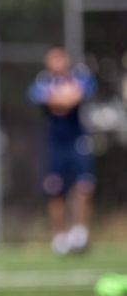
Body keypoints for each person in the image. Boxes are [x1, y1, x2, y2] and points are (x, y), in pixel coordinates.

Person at [28, 47, 96, 255]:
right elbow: (48, 100)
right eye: (53, 60)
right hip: (55, 144)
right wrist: (62, 99)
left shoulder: (81, 77)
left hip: (78, 141)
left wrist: (60, 99)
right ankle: (59, 237)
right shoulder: (42, 82)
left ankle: (80, 233)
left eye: (60, 59)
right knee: (55, 190)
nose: (57, 63)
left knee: (84, 186)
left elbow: (74, 99)